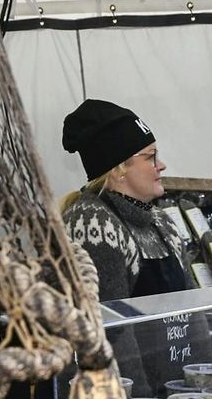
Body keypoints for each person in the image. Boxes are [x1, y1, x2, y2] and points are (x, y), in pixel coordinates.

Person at [60, 98, 189, 300]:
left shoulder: (163, 222)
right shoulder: (92, 224)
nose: (161, 165)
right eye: (150, 157)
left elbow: (193, 310)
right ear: (118, 169)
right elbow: (112, 326)